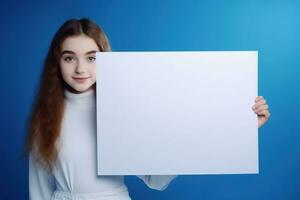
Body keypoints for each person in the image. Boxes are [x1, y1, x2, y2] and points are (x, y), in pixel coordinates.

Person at [25, 18, 271, 200]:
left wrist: (242, 127)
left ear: (105, 58)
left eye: (91, 58)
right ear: (56, 61)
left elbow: (155, 180)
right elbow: (39, 190)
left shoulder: (122, 108)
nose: (80, 69)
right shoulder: (46, 116)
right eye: (69, 57)